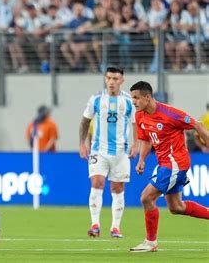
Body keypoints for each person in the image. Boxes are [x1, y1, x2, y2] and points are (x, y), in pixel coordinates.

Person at [129, 81, 209, 252]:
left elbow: (198, 125)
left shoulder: (170, 113)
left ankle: (150, 242)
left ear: (148, 97)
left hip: (175, 163)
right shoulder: (140, 115)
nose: (133, 102)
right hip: (164, 163)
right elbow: (145, 140)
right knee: (176, 207)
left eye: (136, 98)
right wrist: (141, 160)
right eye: (132, 98)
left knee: (146, 197)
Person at [79, 66, 139, 238]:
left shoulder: (128, 100)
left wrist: (136, 145)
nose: (112, 82)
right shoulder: (96, 99)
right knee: (97, 183)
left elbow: (136, 124)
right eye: (109, 78)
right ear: (105, 79)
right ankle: (95, 224)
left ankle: (115, 227)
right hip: (99, 150)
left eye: (115, 79)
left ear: (122, 81)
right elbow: (84, 121)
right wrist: (82, 144)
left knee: (117, 188)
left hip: (121, 152)